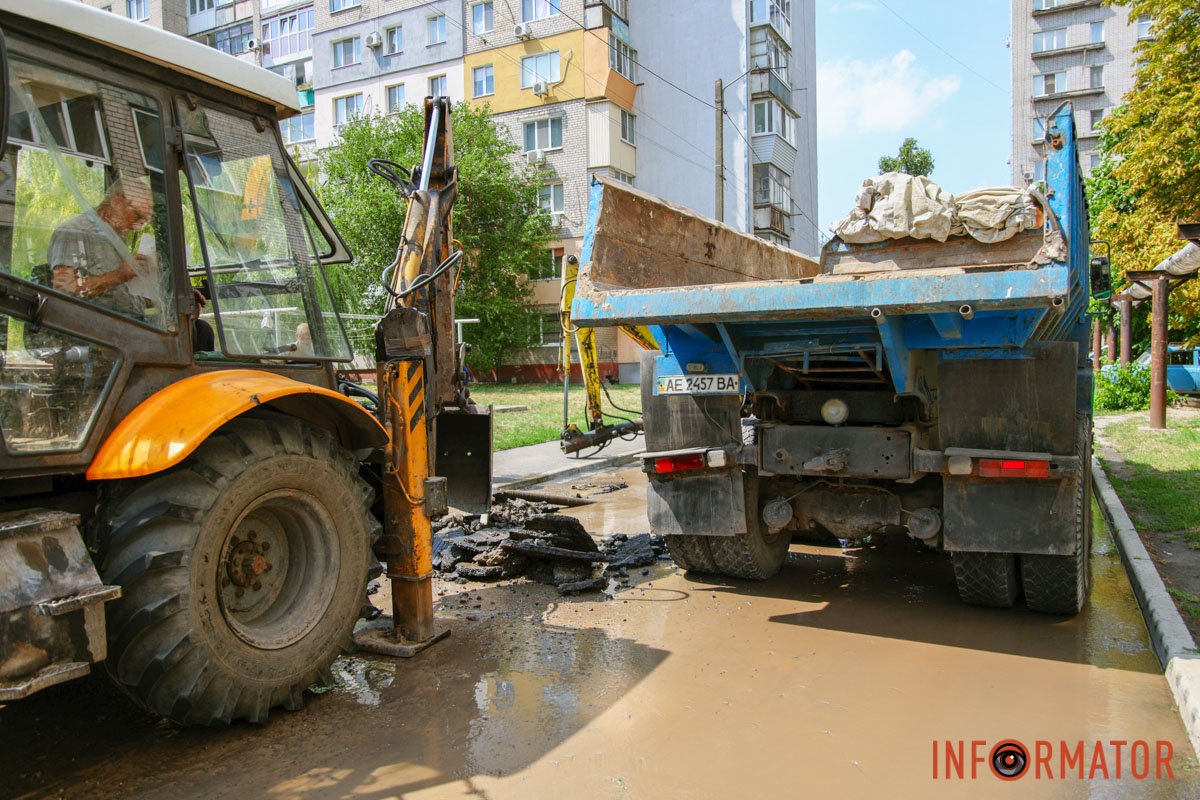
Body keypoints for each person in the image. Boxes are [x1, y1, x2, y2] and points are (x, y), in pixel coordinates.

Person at [47, 178, 155, 317]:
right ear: (116, 202)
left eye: (144, 222)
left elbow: (115, 294)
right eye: (137, 216)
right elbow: (65, 290)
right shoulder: (75, 233)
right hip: (91, 330)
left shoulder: (115, 237)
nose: (137, 227)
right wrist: (118, 275)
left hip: (126, 323)